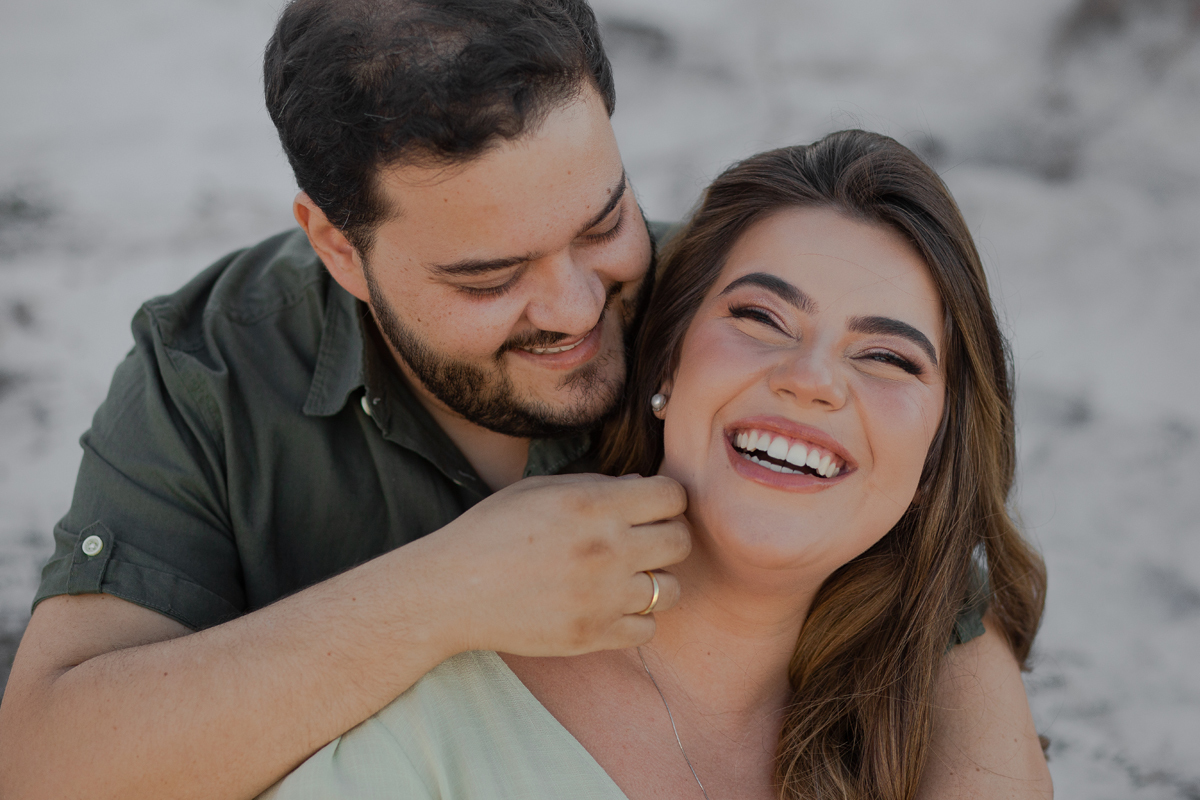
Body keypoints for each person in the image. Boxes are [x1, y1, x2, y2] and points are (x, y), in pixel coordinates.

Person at [0, 3, 691, 799]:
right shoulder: (216, 370)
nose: (576, 308)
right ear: (338, 248)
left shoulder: (734, 313)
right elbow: (48, 770)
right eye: (490, 278)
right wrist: (444, 594)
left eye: (604, 225)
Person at [261, 131, 1051, 800]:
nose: (812, 379)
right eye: (761, 316)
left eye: (887, 357)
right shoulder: (422, 745)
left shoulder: (941, 746)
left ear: (938, 450)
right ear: (665, 363)